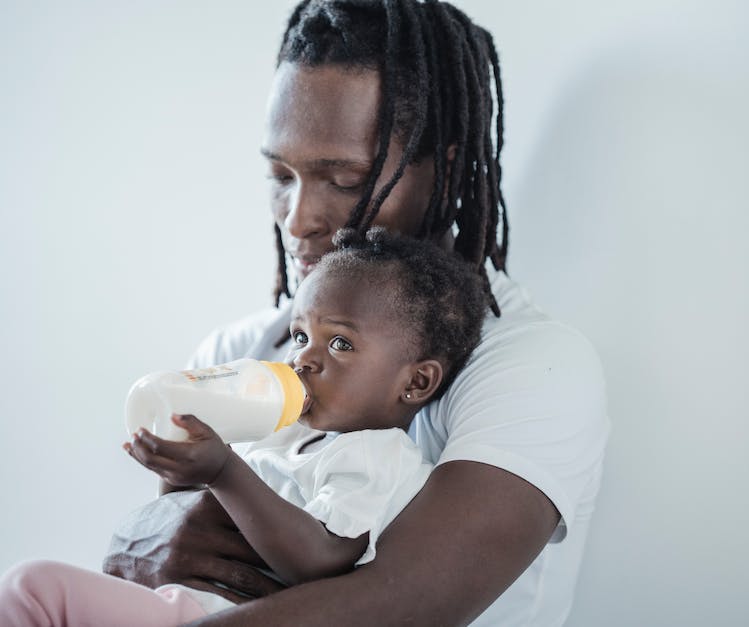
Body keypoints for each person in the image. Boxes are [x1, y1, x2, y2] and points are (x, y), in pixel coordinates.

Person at [103, 1, 610, 625]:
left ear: (445, 170)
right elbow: (165, 570)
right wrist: (136, 541)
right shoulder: (240, 353)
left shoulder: (531, 367)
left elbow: (395, 605)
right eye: (281, 175)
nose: (298, 219)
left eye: (343, 181)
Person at [0, 228, 489, 626]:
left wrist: (224, 471)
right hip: (176, 598)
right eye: (301, 335)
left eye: (339, 344)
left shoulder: (380, 457)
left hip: (213, 613)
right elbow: (179, 515)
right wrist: (178, 460)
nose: (303, 358)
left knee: (34, 590)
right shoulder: (285, 433)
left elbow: (322, 558)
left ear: (417, 381)